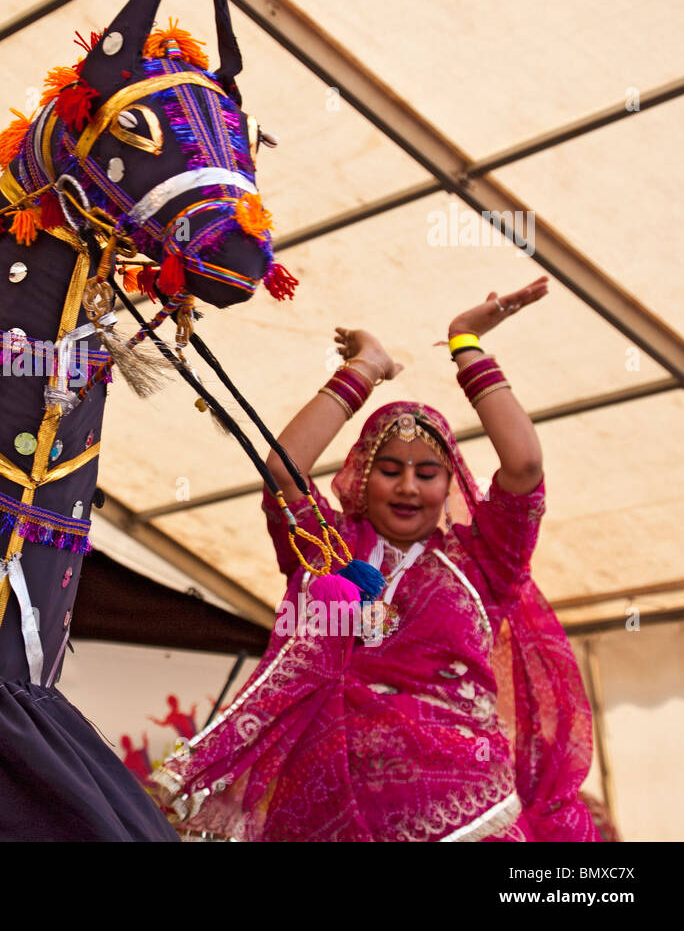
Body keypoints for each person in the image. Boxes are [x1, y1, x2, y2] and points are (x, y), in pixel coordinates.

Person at [152, 276, 600, 841]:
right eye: (390, 469)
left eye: (426, 472)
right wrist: (364, 368)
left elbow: (526, 468)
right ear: (363, 476)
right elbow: (283, 472)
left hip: (466, 811)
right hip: (327, 807)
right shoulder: (331, 549)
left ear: (450, 482)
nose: (408, 486)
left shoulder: (485, 560)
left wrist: (466, 344)